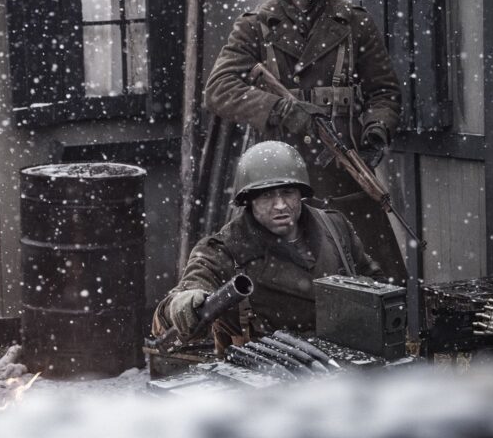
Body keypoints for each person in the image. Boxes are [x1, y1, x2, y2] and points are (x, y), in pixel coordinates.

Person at [203, 0, 405, 283]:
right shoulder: (256, 27)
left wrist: (376, 132)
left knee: (378, 272)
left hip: (343, 164)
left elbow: (384, 91)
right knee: (270, 269)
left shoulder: (353, 22)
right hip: (278, 168)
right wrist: (281, 110)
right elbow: (219, 89)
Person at [153, 141, 383, 353]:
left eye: (287, 193)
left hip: (347, 361)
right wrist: (182, 303)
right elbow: (172, 312)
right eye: (267, 196)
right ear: (250, 201)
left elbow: (374, 283)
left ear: (300, 194)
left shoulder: (334, 226)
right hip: (264, 375)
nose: (280, 205)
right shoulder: (224, 249)